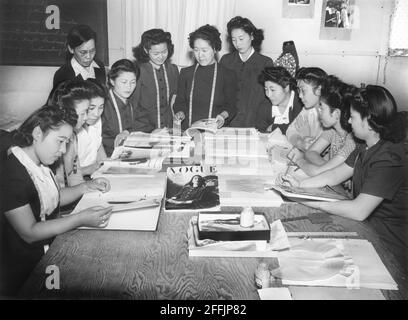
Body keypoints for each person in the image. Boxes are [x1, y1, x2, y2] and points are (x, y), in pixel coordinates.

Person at [278, 85, 408, 270]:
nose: (348, 121)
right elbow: (333, 176)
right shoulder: (364, 146)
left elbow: (358, 210)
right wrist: (298, 185)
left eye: (353, 117)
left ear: (368, 121)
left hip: (389, 247)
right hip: (367, 231)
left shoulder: (390, 158)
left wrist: (309, 201)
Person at [0, 105, 112, 297]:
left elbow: (52, 198)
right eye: (60, 141)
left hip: (48, 252)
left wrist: (86, 187)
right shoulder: (12, 174)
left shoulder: (38, 164)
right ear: (37, 133)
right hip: (25, 270)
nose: (62, 150)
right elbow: (29, 232)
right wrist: (79, 219)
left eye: (67, 143)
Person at [173, 25, 237, 131]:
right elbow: (180, 102)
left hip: (215, 132)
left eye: (204, 50)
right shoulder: (186, 73)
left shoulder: (227, 75)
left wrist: (223, 116)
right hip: (189, 131)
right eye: (196, 50)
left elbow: (231, 106)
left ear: (215, 49)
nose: (200, 55)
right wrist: (180, 112)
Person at [293, 75, 357, 176]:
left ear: (336, 114)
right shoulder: (332, 131)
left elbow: (316, 172)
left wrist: (298, 160)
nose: (318, 111)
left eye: (321, 107)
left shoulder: (352, 141)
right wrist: (329, 168)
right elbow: (310, 153)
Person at [219, 16, 273, 127]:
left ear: (252, 36)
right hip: (228, 123)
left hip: (255, 123)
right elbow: (220, 94)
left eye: (241, 38)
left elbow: (268, 99)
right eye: (234, 40)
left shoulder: (265, 63)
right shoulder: (226, 60)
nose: (237, 43)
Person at [131, 29, 179, 132]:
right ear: (145, 50)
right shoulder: (138, 71)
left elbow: (174, 102)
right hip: (143, 129)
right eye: (156, 53)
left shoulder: (173, 70)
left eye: (164, 52)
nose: (161, 56)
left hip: (167, 129)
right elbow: (133, 105)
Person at [48, 79, 94, 187]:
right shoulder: (51, 141)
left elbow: (75, 175)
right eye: (82, 113)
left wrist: (88, 188)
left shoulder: (73, 136)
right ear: (66, 112)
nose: (86, 118)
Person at [101, 59, 140, 157]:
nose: (129, 87)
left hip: (131, 154)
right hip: (108, 157)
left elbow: (142, 123)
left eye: (133, 82)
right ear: (112, 81)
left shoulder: (134, 99)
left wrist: (128, 132)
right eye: (124, 82)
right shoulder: (103, 104)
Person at [52, 24, 106, 92]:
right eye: (83, 52)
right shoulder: (62, 75)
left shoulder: (99, 66)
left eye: (92, 51)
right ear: (71, 49)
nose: (89, 57)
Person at [286, 67, 326, 152]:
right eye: (299, 90)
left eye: (303, 91)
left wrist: (304, 134)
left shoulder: (329, 115)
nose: (300, 96)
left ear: (319, 90)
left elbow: (317, 151)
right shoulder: (307, 109)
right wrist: (300, 143)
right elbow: (290, 131)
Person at [256, 66, 303, 134]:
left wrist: (273, 127)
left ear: (286, 88)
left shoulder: (301, 104)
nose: (268, 94)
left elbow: (301, 130)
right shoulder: (265, 106)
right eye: (266, 89)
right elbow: (260, 132)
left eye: (273, 90)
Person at [77, 79, 108, 176]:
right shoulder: (73, 129)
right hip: (78, 179)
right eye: (91, 108)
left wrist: (107, 164)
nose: (96, 113)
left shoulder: (96, 120)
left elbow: (98, 146)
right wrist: (87, 170)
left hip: (95, 174)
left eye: (101, 107)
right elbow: (66, 175)